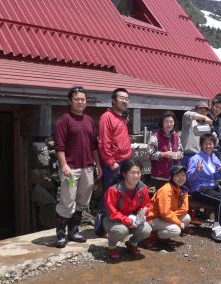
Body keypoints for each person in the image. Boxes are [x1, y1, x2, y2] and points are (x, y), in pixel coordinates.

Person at [54, 86, 102, 248]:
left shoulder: (89, 120)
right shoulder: (64, 120)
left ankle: (73, 230)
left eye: (83, 99)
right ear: (70, 101)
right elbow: (59, 147)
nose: (80, 102)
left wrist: (98, 164)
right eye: (77, 99)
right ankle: (60, 232)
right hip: (71, 170)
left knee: (83, 201)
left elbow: (94, 145)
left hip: (88, 167)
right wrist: (64, 165)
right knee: (68, 200)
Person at [103, 158, 152, 260]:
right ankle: (111, 246)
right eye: (132, 172)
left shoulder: (143, 188)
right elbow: (111, 211)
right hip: (112, 220)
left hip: (133, 219)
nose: (136, 176)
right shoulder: (113, 190)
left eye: (138, 172)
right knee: (121, 230)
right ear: (124, 174)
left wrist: (142, 212)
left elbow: (147, 205)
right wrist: (127, 221)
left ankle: (132, 243)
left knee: (147, 229)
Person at [187, 133, 221, 242]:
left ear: (214, 145)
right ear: (201, 145)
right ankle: (217, 228)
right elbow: (189, 179)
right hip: (199, 188)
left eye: (210, 144)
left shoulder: (214, 158)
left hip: (212, 187)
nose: (208, 146)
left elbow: (215, 177)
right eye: (205, 144)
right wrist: (197, 170)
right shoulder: (195, 158)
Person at [147, 165, 191, 248]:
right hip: (154, 218)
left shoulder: (183, 189)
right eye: (177, 175)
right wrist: (178, 222)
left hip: (165, 216)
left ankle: (163, 237)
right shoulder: (166, 190)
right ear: (171, 177)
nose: (181, 178)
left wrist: (172, 217)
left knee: (186, 218)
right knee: (176, 230)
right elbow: (164, 212)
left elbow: (185, 209)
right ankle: (151, 236)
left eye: (183, 175)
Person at [99, 88, 132, 192]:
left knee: (123, 192)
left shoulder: (122, 117)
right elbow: (104, 142)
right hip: (114, 163)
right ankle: (104, 209)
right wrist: (111, 162)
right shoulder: (107, 117)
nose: (124, 101)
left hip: (125, 161)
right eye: (121, 98)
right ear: (113, 100)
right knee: (111, 193)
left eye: (127, 99)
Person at [148, 111, 183, 191]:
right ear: (162, 123)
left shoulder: (176, 136)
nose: (169, 124)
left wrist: (179, 155)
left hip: (174, 175)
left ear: (174, 123)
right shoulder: (155, 136)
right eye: (166, 122)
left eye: (171, 122)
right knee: (162, 200)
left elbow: (181, 151)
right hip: (160, 176)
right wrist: (163, 154)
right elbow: (150, 154)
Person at [180, 101, 213, 168]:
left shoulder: (206, 125)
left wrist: (211, 129)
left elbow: (214, 140)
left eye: (205, 111)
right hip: (186, 155)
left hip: (200, 157)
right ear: (195, 110)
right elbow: (187, 114)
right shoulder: (189, 121)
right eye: (201, 109)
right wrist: (204, 117)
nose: (203, 112)